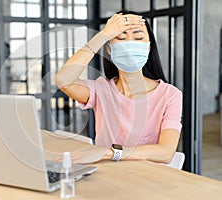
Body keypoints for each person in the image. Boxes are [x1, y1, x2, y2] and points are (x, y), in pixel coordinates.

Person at [54, 10, 182, 164]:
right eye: (121, 38)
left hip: (147, 179)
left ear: (149, 47)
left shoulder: (170, 95)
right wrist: (103, 35)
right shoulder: (101, 90)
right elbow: (63, 80)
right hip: (107, 175)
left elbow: (166, 152)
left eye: (139, 37)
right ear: (109, 49)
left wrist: (108, 153)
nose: (130, 44)